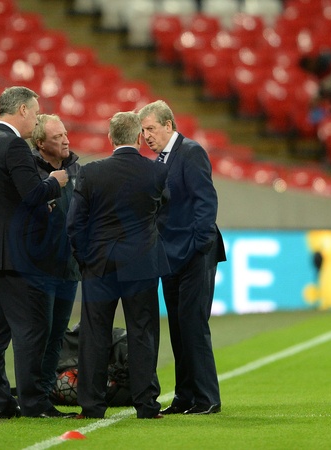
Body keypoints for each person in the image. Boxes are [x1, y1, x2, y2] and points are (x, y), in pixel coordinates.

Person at [0, 86, 75, 419]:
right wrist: (55, 182)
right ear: (22, 110)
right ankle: (34, 403)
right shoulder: (13, 145)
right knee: (32, 330)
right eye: (36, 113)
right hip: (15, 256)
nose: (37, 119)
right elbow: (33, 194)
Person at [66, 111, 170, 419]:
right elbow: (164, 212)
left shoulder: (91, 172)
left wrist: (86, 259)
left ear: (110, 137)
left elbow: (75, 223)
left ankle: (91, 406)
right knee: (143, 332)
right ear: (139, 137)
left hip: (99, 265)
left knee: (94, 334)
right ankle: (146, 405)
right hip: (142, 265)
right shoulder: (156, 172)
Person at [138, 100, 226, 416]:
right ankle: (185, 396)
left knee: (193, 324)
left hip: (193, 255)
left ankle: (207, 397)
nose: (146, 136)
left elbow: (206, 201)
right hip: (170, 256)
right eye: (143, 131)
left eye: (151, 128)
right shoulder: (160, 160)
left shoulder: (190, 152)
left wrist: (198, 246)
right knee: (178, 327)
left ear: (168, 125)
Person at [29, 114, 81, 397]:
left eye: (65, 134)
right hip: (40, 269)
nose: (66, 140)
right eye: (57, 137)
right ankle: (33, 394)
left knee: (58, 334)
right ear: (40, 143)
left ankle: (46, 392)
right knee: (40, 334)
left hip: (68, 267)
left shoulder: (76, 170)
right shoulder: (30, 173)